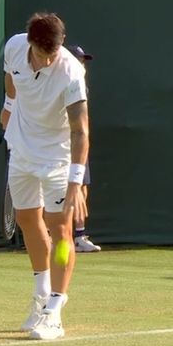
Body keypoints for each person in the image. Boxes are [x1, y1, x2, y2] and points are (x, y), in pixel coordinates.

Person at [0, 12, 89, 340]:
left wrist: (76, 182)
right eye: (42, 53)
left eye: (53, 52)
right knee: (26, 219)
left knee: (61, 228)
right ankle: (40, 294)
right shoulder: (13, 47)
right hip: (22, 148)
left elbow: (81, 131)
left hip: (57, 158)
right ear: (30, 42)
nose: (48, 59)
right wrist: (9, 104)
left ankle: (55, 311)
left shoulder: (71, 72)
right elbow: (11, 77)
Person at [67, 45, 101, 253]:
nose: (82, 64)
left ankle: (79, 236)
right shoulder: (64, 82)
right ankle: (52, 235)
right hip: (60, 146)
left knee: (82, 187)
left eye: (83, 60)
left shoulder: (81, 84)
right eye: (79, 59)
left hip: (80, 144)